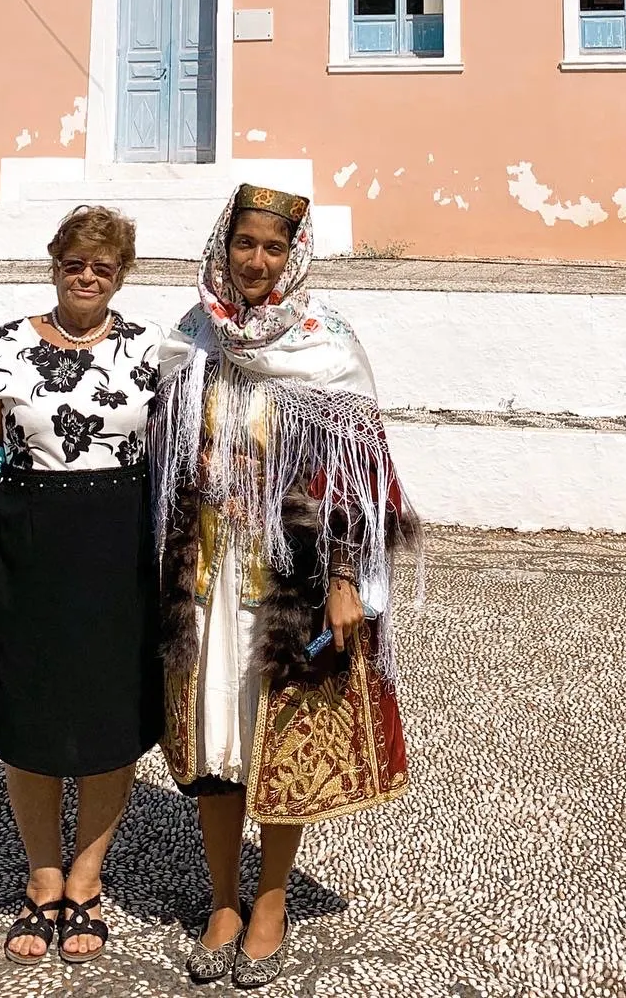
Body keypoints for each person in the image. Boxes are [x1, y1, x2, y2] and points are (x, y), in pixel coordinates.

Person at [154, 185, 421, 989]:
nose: (257, 261)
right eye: (245, 245)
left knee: (281, 745)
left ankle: (270, 903)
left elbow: (356, 473)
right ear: (223, 245)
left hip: (290, 579)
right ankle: (224, 901)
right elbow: (157, 455)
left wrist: (346, 578)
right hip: (204, 573)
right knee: (212, 742)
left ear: (294, 253)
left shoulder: (324, 344)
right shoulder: (191, 334)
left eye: (274, 248)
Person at [0, 204, 162, 967]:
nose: (87, 275)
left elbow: (171, 451)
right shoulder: (5, 343)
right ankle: (42, 879)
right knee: (30, 715)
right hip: (29, 539)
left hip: (119, 539)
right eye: (75, 262)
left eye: (103, 265)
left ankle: (88, 878)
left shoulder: (146, 350)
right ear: (54, 262)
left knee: (110, 718)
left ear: (121, 273)